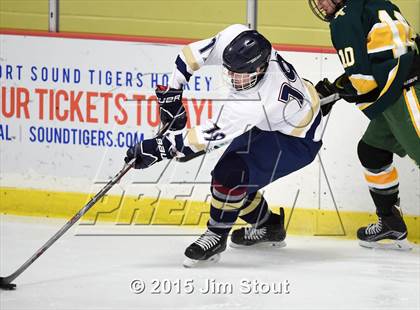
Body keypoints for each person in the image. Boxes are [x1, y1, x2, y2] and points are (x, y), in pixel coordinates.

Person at [125, 24, 325, 267]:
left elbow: (196, 142)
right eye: (229, 71)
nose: (232, 78)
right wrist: (173, 94)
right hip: (280, 119)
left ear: (261, 68)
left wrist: (156, 148)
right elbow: (188, 55)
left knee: (229, 176)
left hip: (297, 139)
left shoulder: (254, 101)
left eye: (240, 74)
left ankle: (216, 236)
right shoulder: (237, 39)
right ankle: (269, 226)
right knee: (234, 178)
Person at [309, 0, 419, 250]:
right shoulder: (379, 3)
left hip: (406, 92)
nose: (322, 4)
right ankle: (390, 221)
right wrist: (338, 87)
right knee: (372, 150)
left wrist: (339, 91)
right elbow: (390, 52)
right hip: (395, 91)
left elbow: (363, 82)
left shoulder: (343, 19)